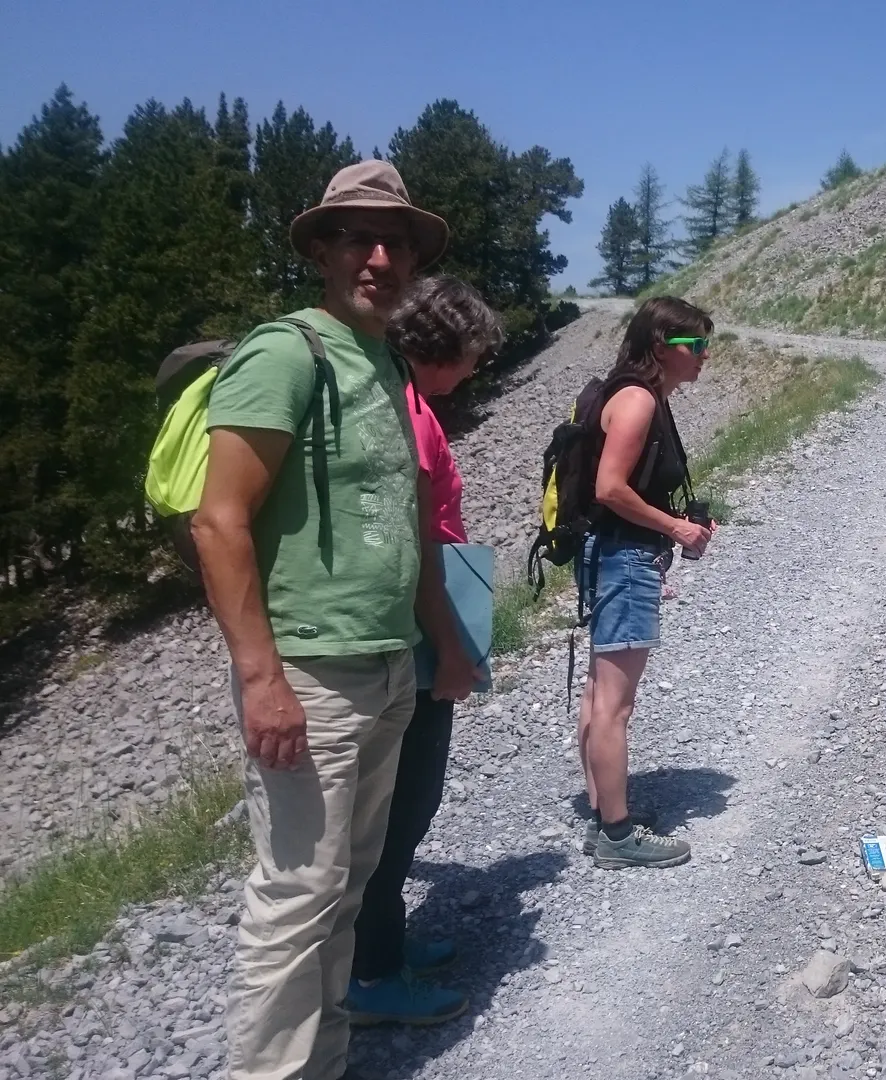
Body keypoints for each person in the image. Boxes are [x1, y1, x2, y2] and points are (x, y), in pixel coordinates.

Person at [195, 160, 472, 1080]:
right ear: (320, 247)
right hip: (311, 670)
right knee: (297, 894)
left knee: (346, 888)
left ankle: (324, 1063)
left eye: (395, 241)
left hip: (388, 662)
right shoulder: (287, 352)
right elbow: (219, 518)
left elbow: (408, 525)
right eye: (357, 235)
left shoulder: (387, 362)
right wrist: (262, 678)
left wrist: (440, 638)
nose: (380, 256)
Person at [343, 276, 502, 1026]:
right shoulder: (412, 418)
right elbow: (421, 552)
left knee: (395, 807)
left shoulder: (389, 402)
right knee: (402, 806)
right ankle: (373, 975)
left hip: (397, 625)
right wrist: (455, 650)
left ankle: (385, 946)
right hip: (412, 632)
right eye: (470, 356)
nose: (473, 372)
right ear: (442, 347)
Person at [574, 296, 716, 869]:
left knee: (596, 694)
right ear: (662, 346)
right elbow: (610, 488)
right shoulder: (636, 400)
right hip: (624, 558)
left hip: (609, 553)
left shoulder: (629, 393)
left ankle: (601, 807)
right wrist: (677, 528)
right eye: (695, 345)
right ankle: (617, 834)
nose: (704, 356)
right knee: (614, 705)